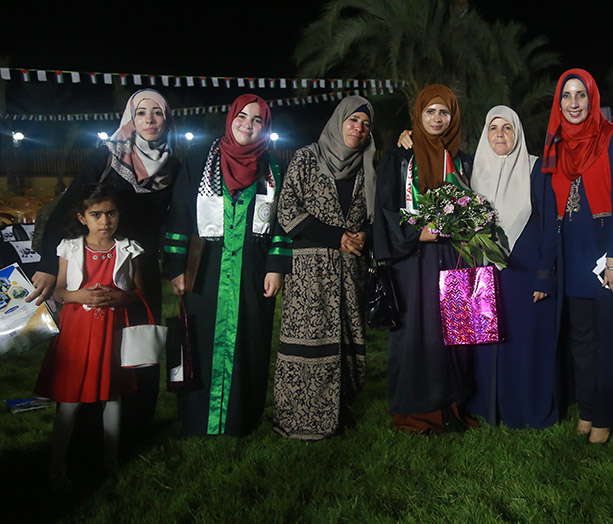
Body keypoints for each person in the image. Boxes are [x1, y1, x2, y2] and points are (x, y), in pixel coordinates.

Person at [30, 89, 178, 443]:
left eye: (158, 112)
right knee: (90, 347)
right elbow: (70, 205)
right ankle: (84, 432)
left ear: (167, 118)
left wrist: (176, 267)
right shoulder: (107, 155)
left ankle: (134, 428)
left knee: (137, 345)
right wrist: (49, 263)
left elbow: (175, 221)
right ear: (131, 118)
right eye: (141, 112)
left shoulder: (172, 165)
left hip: (138, 265)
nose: (150, 120)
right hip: (94, 259)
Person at [165, 94, 291, 437]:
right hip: (204, 270)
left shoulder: (273, 167)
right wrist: (176, 266)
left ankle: (240, 419)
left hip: (252, 271)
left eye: (257, 120)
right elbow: (180, 211)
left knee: (249, 342)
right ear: (231, 118)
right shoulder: (199, 159)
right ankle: (197, 419)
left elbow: (282, 221)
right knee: (200, 341)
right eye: (242, 117)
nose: (248, 125)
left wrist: (276, 266)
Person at [543, 68, 613, 444]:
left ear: (592, 100)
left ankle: (605, 414)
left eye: (581, 95)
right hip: (573, 253)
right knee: (581, 339)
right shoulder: (556, 144)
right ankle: (587, 409)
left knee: (608, 339)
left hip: (605, 252)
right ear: (558, 103)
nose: (574, 103)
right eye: (567, 96)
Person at [372, 84, 476, 434]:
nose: (436, 118)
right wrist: (416, 234)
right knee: (417, 331)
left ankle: (454, 404)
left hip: (454, 255)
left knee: (455, 329)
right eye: (430, 111)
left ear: (453, 117)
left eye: (443, 112)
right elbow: (386, 208)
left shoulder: (461, 160)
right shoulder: (399, 158)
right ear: (418, 115)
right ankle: (417, 409)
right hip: (413, 260)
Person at [273, 96, 375, 439]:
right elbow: (287, 209)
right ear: (338, 121)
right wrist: (336, 237)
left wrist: (364, 235)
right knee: (309, 339)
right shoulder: (307, 157)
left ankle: (340, 411)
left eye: (365, 124)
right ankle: (299, 417)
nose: (358, 128)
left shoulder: (369, 163)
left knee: (347, 339)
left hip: (350, 268)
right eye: (353, 120)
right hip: (310, 271)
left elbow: (378, 213)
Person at [34, 184, 143, 493]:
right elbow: (59, 291)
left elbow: (139, 293)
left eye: (111, 213)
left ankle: (111, 460)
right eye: (96, 215)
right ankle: (57, 467)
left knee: (112, 395)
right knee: (70, 399)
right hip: (77, 331)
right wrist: (76, 295)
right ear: (83, 218)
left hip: (111, 331)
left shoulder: (129, 249)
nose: (105, 221)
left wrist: (120, 298)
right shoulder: (69, 248)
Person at [464, 105, 560, 429]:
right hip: (483, 272)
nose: (500, 134)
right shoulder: (472, 172)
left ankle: (526, 411)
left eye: (507, 128)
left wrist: (545, 276)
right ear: (485, 134)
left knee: (524, 343)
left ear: (517, 133)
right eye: (493, 128)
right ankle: (488, 408)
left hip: (525, 273)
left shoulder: (536, 169)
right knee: (485, 342)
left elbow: (551, 225)